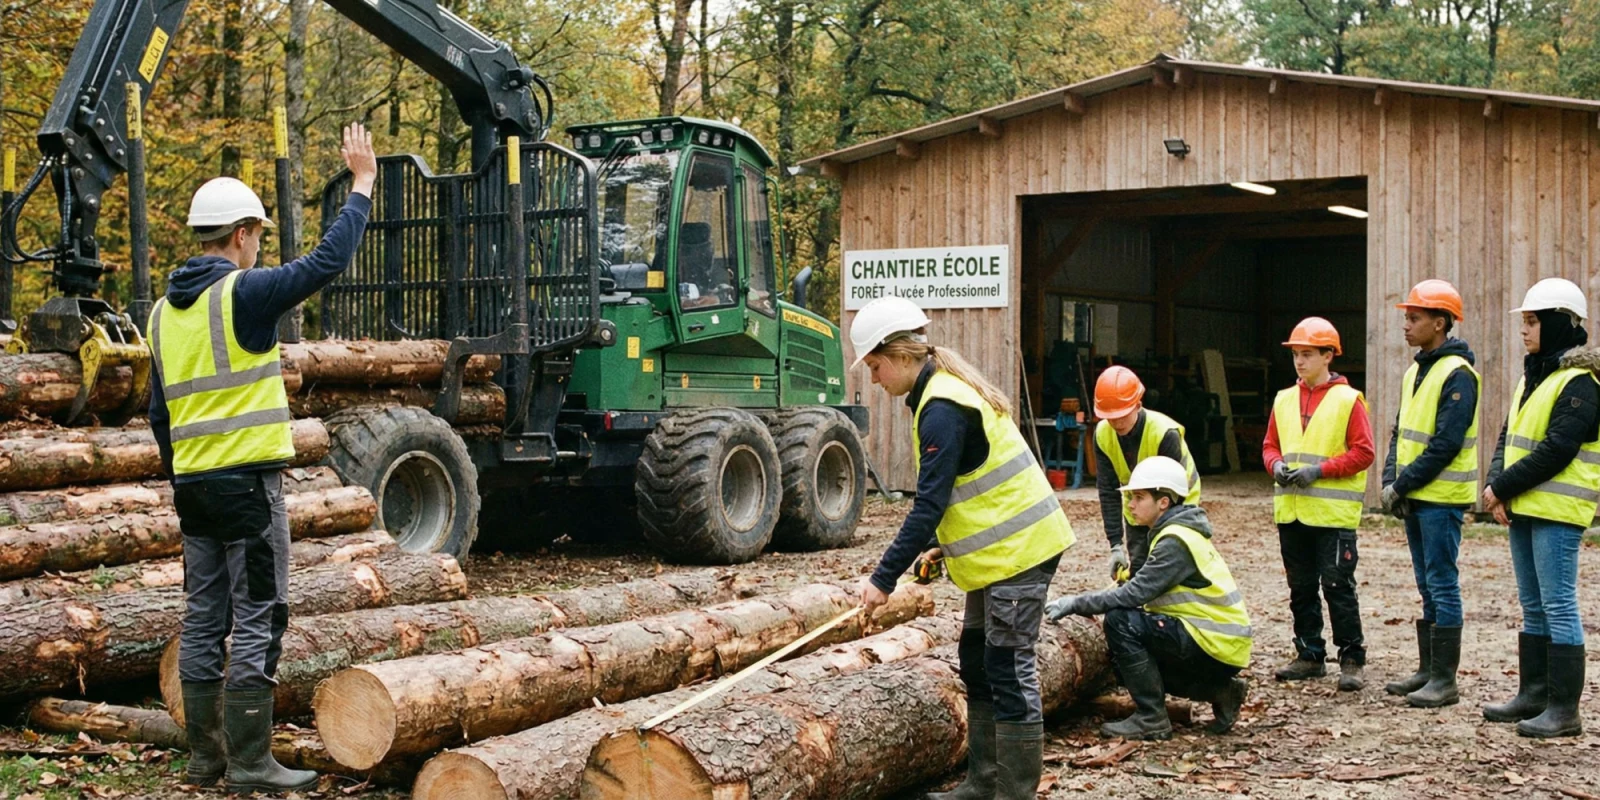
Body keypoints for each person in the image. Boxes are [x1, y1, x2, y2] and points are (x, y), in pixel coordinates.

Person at [151, 124, 377, 792]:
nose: (259, 247)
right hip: (248, 487)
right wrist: (361, 184)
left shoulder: (163, 313)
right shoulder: (241, 295)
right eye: (258, 236)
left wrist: (183, 472)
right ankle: (250, 764)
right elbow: (325, 262)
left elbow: (161, 412)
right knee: (258, 615)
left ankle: (204, 760)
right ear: (244, 232)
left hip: (193, 489)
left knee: (203, 617)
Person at [851, 295, 1075, 800]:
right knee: (976, 659)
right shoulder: (937, 396)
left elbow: (927, 503)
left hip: (1022, 550)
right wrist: (937, 546)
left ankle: (1013, 792)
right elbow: (959, 492)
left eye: (875, 364)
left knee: (1008, 667)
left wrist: (882, 579)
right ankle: (982, 781)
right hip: (996, 555)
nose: (873, 377)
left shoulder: (943, 407)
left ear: (901, 354)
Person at [1045, 456, 1251, 740]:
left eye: (1139, 497)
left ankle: (1152, 717)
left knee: (1120, 622)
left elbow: (1134, 595)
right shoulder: (1176, 533)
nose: (1130, 504)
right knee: (1122, 662)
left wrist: (1074, 603)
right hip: (1217, 643)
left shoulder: (1175, 541)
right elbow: (1143, 584)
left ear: (1163, 502)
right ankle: (1222, 691)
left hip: (1214, 643)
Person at [1480, 277, 1596, 739]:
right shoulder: (1533, 375)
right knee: (1533, 607)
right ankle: (1534, 696)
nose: (1524, 330)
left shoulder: (1581, 384)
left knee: (1559, 606)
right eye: (1524, 321)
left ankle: (1564, 711)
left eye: (1532, 321)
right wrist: (1496, 484)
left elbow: (1558, 448)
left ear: (1559, 324)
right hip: (1525, 506)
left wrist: (1501, 488)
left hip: (1557, 512)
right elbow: (1508, 437)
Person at [1380, 280, 1479, 708]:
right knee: (1427, 584)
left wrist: (1400, 484)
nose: (1406, 324)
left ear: (1439, 324)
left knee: (1442, 582)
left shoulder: (1458, 374)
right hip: (1418, 496)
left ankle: (1444, 679)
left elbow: (1446, 443)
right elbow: (1401, 432)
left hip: (1440, 498)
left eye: (1414, 318)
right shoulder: (1416, 370)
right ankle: (1429, 671)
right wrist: (1391, 477)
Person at [1263, 316, 1373, 691]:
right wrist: (1275, 465)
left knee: (1337, 585)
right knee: (1302, 587)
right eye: (1296, 354)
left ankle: (1351, 658)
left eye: (1307, 354)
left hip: (1331, 515)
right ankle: (1309, 654)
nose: (1299, 361)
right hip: (1292, 512)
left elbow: (1364, 453)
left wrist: (1320, 471)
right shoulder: (1283, 399)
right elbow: (1269, 446)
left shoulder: (1348, 400)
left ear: (1329, 356)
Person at [1091, 366, 1202, 581]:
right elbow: (1108, 490)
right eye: (1109, 417)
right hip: (1138, 509)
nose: (1116, 422)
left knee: (1169, 569)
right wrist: (1115, 545)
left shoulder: (1163, 433)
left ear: (1138, 405)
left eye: (1121, 415)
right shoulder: (1103, 435)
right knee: (1139, 572)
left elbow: (1170, 496)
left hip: (1177, 504)